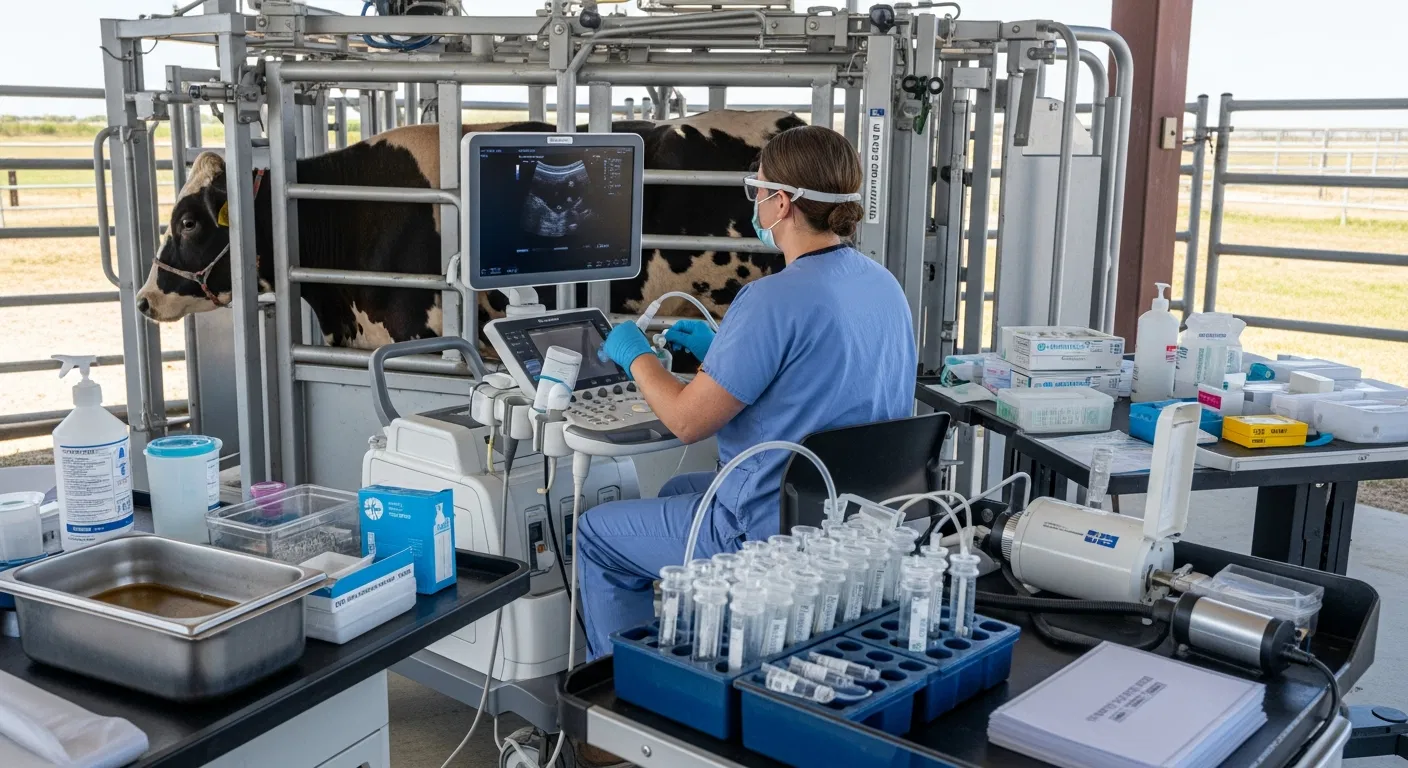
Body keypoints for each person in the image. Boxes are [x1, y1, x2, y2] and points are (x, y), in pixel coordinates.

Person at [576, 124, 918, 659]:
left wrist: (634, 355)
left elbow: (687, 421)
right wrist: (721, 349)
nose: (754, 201)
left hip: (771, 532)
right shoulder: (882, 284)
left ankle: (618, 709)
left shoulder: (770, 300)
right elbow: (818, 377)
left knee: (595, 534)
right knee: (675, 492)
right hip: (851, 518)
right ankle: (701, 653)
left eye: (757, 190)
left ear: (781, 204)